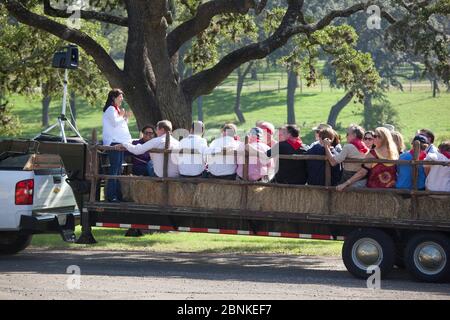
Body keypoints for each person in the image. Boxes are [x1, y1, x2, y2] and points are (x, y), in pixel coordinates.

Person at [102, 89, 132, 202]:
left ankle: (118, 194)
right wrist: (123, 116)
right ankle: (111, 195)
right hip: (113, 142)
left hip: (119, 141)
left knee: (118, 169)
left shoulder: (116, 109)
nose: (121, 99)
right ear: (113, 98)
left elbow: (121, 124)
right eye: (120, 97)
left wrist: (125, 117)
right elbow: (115, 123)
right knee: (114, 169)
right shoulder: (110, 109)